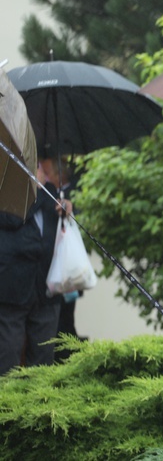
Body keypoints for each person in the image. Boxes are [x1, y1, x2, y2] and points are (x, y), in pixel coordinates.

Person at [0, 164, 72, 375]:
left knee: (43, 358)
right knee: (8, 357)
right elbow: (12, 219)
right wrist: (36, 189)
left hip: (47, 284)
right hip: (12, 285)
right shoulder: (8, 188)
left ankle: (39, 406)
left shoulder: (49, 191)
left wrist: (66, 208)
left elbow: (58, 231)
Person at [42, 157, 86, 362]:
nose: (44, 175)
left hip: (66, 270)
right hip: (48, 269)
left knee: (64, 320)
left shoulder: (74, 192)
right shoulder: (47, 194)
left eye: (47, 171)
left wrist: (69, 208)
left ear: (59, 176)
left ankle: (68, 360)